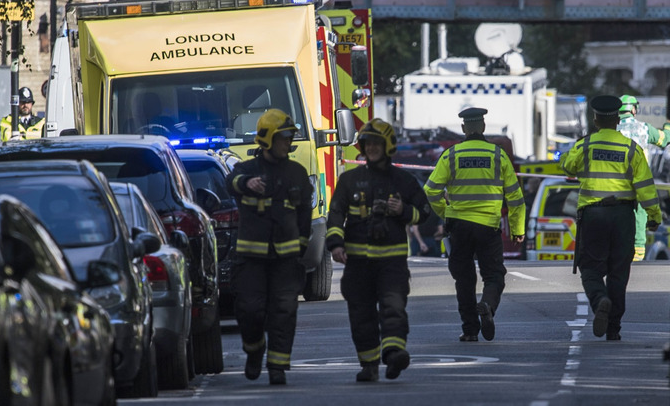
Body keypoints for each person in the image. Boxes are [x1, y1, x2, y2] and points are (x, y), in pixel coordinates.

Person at [326, 119, 432, 382]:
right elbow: (336, 213)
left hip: (391, 262)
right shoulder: (349, 180)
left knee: (393, 308)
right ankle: (369, 365)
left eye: (377, 143)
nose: (371, 147)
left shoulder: (404, 180)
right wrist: (336, 244)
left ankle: (394, 354)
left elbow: (426, 213)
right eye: (368, 143)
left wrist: (403, 211)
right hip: (358, 263)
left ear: (388, 146)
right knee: (361, 316)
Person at [561, 95, 662, 341]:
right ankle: (613, 328)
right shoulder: (631, 149)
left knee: (590, 269)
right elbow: (646, 188)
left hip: (593, 216)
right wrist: (654, 216)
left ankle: (600, 300)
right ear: (617, 120)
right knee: (619, 272)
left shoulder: (585, 146)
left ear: (595, 119)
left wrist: (576, 150)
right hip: (623, 216)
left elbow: (567, 166)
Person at [225, 109, 313, 386]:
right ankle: (254, 351)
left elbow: (304, 217)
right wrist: (246, 184)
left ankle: (277, 367)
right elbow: (230, 182)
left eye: (290, 137)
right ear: (267, 140)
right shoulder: (247, 170)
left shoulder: (297, 173)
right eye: (283, 137)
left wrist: (299, 249)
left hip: (285, 261)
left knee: (284, 312)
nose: (288, 142)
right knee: (250, 310)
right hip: (251, 260)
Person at [424, 107, 525, 343]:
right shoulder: (498, 155)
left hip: (459, 227)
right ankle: (488, 305)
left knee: (464, 279)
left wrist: (446, 213)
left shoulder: (451, 155)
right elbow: (515, 197)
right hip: (488, 227)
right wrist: (517, 228)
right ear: (483, 127)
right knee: (494, 275)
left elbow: (430, 190)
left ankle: (470, 330)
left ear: (463, 129)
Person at [616, 94, 670, 261]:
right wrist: (669, 127)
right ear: (634, 109)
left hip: (616, 183)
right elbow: (664, 140)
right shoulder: (643, 128)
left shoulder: (612, 129)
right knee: (640, 214)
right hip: (639, 182)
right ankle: (638, 251)